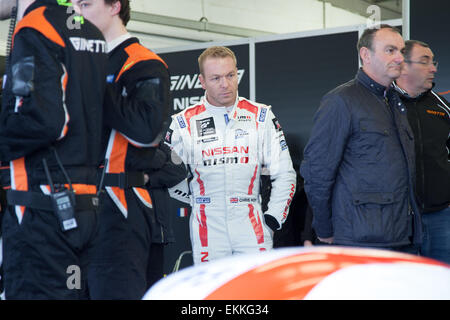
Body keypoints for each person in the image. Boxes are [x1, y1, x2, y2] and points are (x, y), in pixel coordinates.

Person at [0, 0, 107, 299]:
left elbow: (43, 121)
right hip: (84, 204)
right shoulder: (91, 31)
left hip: (41, 209)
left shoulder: (36, 28)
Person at [74, 0, 172, 299]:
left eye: (86, 4)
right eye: (75, 6)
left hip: (119, 207)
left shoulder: (143, 62)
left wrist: (94, 82)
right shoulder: (76, 61)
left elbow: (147, 132)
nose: (78, 14)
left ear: (115, 6)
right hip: (73, 207)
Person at [165, 46, 296, 264]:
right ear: (202, 81)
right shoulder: (183, 122)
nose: (225, 84)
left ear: (237, 74)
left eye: (230, 75)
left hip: (250, 221)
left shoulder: (261, 115)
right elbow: (166, 175)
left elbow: (285, 173)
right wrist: (197, 199)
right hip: (207, 224)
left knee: (257, 293)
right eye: (215, 78)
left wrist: (273, 217)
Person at [300, 25, 422, 252]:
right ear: (366, 55)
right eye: (390, 50)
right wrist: (324, 228)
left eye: (401, 51)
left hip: (399, 235)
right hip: (360, 238)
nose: (398, 57)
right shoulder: (341, 101)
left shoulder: (395, 101)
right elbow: (317, 172)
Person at [393, 40, 450, 264]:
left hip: (440, 216)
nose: (434, 68)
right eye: (425, 61)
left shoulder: (441, 107)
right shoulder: (382, 104)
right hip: (398, 219)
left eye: (433, 61)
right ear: (404, 66)